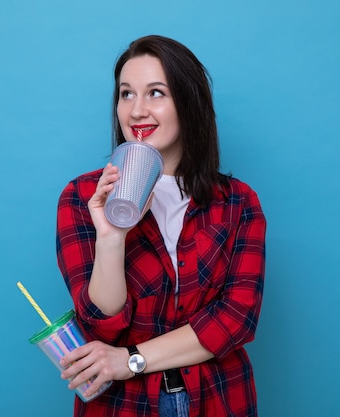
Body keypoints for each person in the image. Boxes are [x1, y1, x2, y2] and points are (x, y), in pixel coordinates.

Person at [56, 35, 266, 417]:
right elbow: (102, 326)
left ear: (189, 104)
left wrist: (131, 360)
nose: (136, 111)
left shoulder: (238, 202)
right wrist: (111, 236)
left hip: (219, 399)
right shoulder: (82, 196)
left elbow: (236, 319)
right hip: (123, 406)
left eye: (156, 93)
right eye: (126, 94)